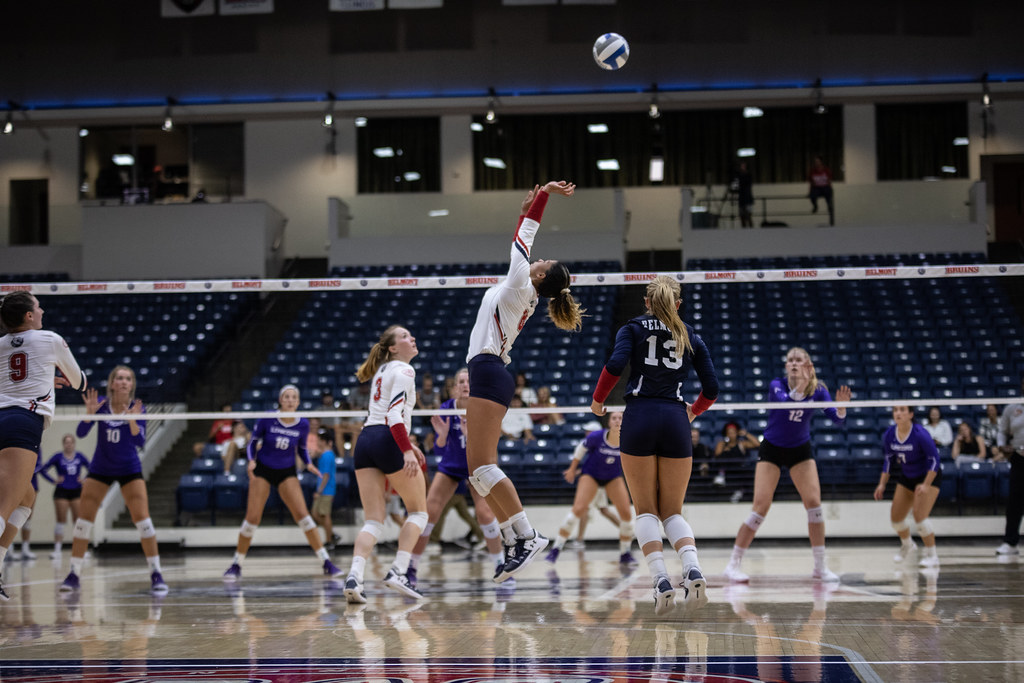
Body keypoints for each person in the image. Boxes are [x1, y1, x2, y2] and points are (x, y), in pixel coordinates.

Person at [464, 180, 584, 583]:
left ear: (540, 274)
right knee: (478, 472)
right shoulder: (522, 286)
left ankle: (528, 535)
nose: (537, 259)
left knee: (483, 467)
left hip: (489, 370)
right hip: (489, 372)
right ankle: (514, 539)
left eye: (542, 261)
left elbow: (524, 237)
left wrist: (543, 195)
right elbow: (522, 242)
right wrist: (523, 210)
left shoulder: (520, 283)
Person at [591, 275, 719, 615]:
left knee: (646, 510)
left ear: (646, 302)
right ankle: (692, 569)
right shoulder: (690, 334)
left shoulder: (632, 328)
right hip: (675, 419)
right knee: (672, 511)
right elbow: (712, 389)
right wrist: (693, 411)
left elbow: (615, 365)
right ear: (678, 304)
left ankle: (661, 581)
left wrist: (598, 400)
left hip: (639, 417)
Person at [723, 347, 851, 584]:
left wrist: (841, 408)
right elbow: (787, 405)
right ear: (786, 366)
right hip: (772, 448)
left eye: (798, 360)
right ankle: (733, 564)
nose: (793, 363)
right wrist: (802, 384)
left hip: (799, 449)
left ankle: (820, 567)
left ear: (808, 365)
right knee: (760, 508)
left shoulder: (819, 390)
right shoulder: (777, 385)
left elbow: (838, 421)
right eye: (790, 360)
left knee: (814, 505)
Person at [0, 292, 86, 600]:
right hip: (23, 423)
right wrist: (58, 376)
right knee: (6, 506)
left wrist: (46, 378)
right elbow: (79, 382)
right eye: (38, 306)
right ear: (28, 315)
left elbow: (15, 378)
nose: (42, 310)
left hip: (3, 417)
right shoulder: (49, 339)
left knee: (27, 498)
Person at [60, 366, 168, 595]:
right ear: (112, 384)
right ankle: (73, 574)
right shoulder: (100, 404)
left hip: (129, 468)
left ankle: (156, 573)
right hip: (101, 467)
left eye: (128, 378)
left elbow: (140, 442)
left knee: (143, 521)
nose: (123, 382)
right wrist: (89, 414)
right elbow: (81, 433)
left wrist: (132, 420)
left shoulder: (138, 408)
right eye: (119, 378)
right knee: (83, 522)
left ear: (132, 384)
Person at [342, 325, 428, 603]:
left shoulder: (381, 371)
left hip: (366, 440)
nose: (411, 338)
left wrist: (408, 444)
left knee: (373, 520)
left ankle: (354, 577)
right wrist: (406, 450)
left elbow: (381, 417)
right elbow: (393, 415)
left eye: (411, 335)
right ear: (392, 348)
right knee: (419, 513)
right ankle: (399, 572)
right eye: (404, 336)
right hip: (388, 438)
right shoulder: (405, 370)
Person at [222, 384, 340, 581]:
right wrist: (251, 460)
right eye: (287, 397)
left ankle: (326, 562)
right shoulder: (268, 418)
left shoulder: (302, 424)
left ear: (298, 402)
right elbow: (253, 442)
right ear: (280, 400)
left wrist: (309, 464)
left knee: (303, 516)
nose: (290, 400)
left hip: (286, 471)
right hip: (263, 469)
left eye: (294, 397)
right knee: (252, 518)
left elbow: (302, 449)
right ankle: (236, 564)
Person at [409, 367, 505, 587]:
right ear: (454, 389)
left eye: (468, 381)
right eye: (460, 382)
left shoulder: (483, 408)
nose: (465, 385)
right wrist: (442, 437)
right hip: (451, 466)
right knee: (429, 512)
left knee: (484, 513)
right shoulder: (446, 409)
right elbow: (439, 451)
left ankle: (500, 565)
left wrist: (472, 436)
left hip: (478, 466)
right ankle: (411, 568)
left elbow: (492, 447)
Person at [545, 410, 635, 565]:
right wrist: (572, 469)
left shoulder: (628, 439)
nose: (617, 421)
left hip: (612, 477)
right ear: (609, 422)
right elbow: (580, 449)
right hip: (591, 475)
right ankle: (556, 549)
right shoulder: (597, 436)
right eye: (614, 418)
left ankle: (625, 553)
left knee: (626, 514)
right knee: (578, 510)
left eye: (620, 418)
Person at [874, 405, 942, 568]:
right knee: (896, 520)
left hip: (928, 476)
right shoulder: (890, 434)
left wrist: (926, 485)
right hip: (907, 477)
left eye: (902, 410)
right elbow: (888, 460)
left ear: (911, 414)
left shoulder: (920, 434)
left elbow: (935, 459)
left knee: (920, 518)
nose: (898, 413)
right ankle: (908, 545)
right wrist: (882, 484)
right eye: (895, 410)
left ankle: (932, 556)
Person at [37, 434, 90, 558]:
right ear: (63, 444)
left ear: (74, 444)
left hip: (76, 491)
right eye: (66, 442)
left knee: (78, 521)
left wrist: (84, 479)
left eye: (71, 442)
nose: (69, 445)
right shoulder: (58, 457)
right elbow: (42, 469)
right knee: (61, 520)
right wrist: (53, 480)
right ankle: (57, 550)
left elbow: (92, 468)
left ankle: (80, 549)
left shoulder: (79, 456)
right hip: (61, 491)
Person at [995, 378, 1024, 556]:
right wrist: (1001, 446)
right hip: (1019, 459)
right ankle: (1010, 543)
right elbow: (1002, 431)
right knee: (1015, 502)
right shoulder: (1012, 408)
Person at [311, 428, 340, 549]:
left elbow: (326, 475)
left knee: (324, 514)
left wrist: (319, 491)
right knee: (316, 514)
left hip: (326, 490)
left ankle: (329, 540)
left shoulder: (328, 455)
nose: (317, 442)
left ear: (324, 441)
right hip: (324, 489)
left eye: (319, 440)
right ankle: (331, 534)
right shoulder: (325, 454)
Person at [713, 422, 760, 487]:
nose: (731, 435)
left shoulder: (742, 444)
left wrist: (746, 434)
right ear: (726, 434)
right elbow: (717, 455)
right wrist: (725, 450)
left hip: (739, 471)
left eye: (733, 432)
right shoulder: (721, 444)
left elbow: (757, 444)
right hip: (726, 471)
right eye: (729, 433)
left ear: (737, 433)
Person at [808, 155, 834, 226]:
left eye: (818, 161)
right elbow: (811, 182)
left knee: (828, 193)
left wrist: (830, 188)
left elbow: (829, 180)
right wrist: (810, 191)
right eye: (815, 162)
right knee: (812, 195)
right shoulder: (812, 171)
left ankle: (829, 206)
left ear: (821, 162)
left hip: (825, 186)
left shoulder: (826, 170)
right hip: (816, 188)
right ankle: (815, 206)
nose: (816, 163)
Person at [732, 161, 754, 228]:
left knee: (748, 215)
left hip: (747, 198)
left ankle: (751, 229)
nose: (742, 167)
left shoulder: (748, 175)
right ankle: (743, 229)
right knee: (742, 216)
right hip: (741, 199)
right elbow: (735, 186)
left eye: (744, 166)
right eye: (741, 166)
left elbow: (746, 184)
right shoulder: (738, 175)